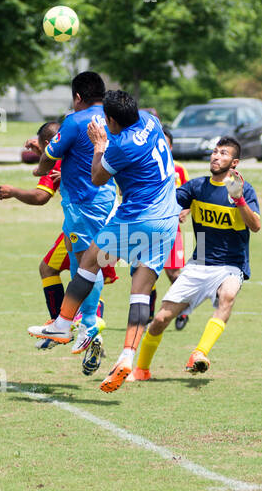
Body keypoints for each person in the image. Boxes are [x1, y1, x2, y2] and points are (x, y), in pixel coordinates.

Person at [29, 90, 180, 393]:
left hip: (137, 217)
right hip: (168, 220)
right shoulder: (151, 121)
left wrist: (99, 145)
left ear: (111, 120)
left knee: (88, 261)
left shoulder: (119, 145)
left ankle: (62, 324)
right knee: (140, 289)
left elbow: (98, 177)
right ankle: (127, 357)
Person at [133, 137, 260, 380]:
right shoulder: (197, 187)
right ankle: (141, 369)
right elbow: (165, 204)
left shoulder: (245, 189)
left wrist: (239, 200)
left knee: (228, 295)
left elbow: (255, 226)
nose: (215, 156)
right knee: (160, 319)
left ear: (234, 163)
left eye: (223, 153)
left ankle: (199, 354)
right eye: (214, 151)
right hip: (199, 264)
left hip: (231, 265)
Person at [0, 120, 115, 371]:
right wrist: (41, 149)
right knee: (87, 276)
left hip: (80, 226)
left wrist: (13, 191)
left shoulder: (60, 158)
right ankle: (84, 330)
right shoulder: (83, 148)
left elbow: (41, 196)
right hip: (105, 222)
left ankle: (64, 325)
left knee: (59, 270)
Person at [28, 71, 117, 372]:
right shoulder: (113, 118)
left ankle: (88, 324)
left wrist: (39, 169)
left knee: (86, 263)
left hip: (83, 204)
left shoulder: (75, 121)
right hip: (106, 199)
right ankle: (76, 325)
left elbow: (50, 156)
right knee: (86, 263)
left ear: (77, 97)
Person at [161, 127, 191, 331]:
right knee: (142, 273)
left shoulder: (178, 169)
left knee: (173, 273)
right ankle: (143, 316)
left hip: (171, 228)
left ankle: (184, 308)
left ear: (170, 147)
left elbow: (190, 194)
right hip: (147, 227)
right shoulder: (143, 163)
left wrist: (185, 210)